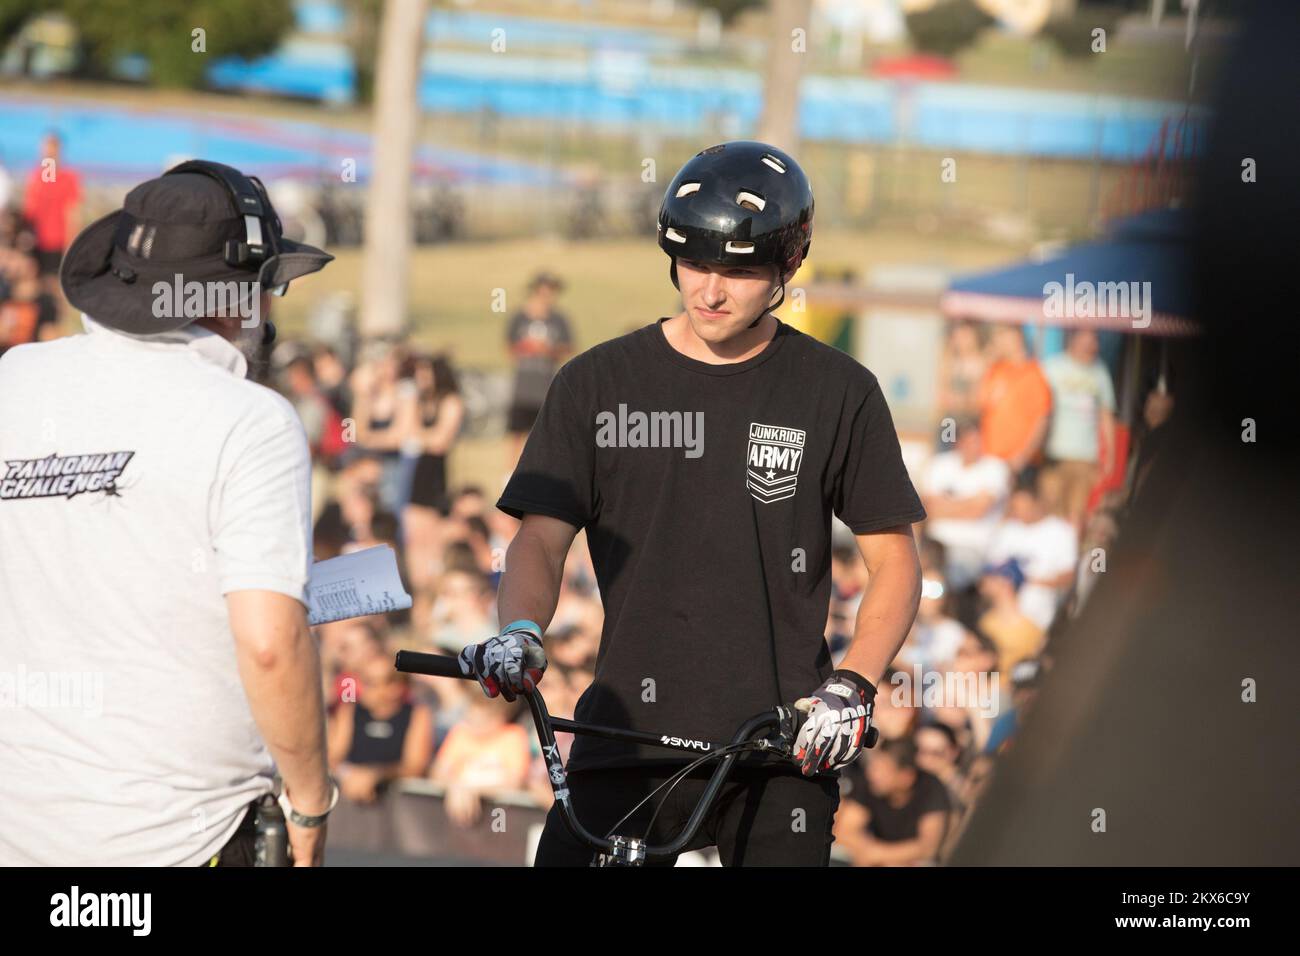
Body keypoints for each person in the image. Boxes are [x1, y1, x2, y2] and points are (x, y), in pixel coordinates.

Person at [460, 141, 926, 866]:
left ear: (785, 269)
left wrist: (853, 685)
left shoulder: (840, 391)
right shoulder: (594, 382)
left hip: (781, 745)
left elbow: (895, 562)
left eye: (738, 271)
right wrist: (520, 628)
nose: (710, 290)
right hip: (625, 736)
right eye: (695, 263)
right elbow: (541, 539)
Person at [0, 159, 337, 865]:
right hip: (184, 838)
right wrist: (310, 806)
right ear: (235, 296)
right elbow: (270, 643)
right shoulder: (252, 421)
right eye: (270, 286)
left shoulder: (14, 381)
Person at [328, 654, 434, 804]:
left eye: (371, 683)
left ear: (395, 688)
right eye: (363, 680)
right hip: (349, 805)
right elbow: (332, 757)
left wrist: (377, 775)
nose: (362, 688)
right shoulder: (349, 711)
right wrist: (349, 775)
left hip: (398, 809)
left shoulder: (417, 715)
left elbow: (416, 766)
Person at [919, 416, 1011, 590]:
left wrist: (947, 504)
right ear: (958, 442)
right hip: (934, 544)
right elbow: (927, 508)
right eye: (969, 441)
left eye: (977, 441)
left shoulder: (995, 467)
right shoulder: (940, 464)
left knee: (950, 578)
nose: (974, 446)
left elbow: (978, 511)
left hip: (971, 547)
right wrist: (969, 502)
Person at [1039, 329, 1117, 529]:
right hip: (1053, 454)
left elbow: (1106, 415)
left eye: (1095, 342)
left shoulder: (1100, 371)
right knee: (1051, 509)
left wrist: (1110, 456)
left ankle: (1070, 557)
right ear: (1073, 341)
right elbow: (1037, 409)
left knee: (1077, 512)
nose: (1093, 347)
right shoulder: (1052, 367)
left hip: (1085, 456)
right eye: (1087, 341)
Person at [833, 737, 951, 866]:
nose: (872, 774)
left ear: (906, 777)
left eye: (882, 770)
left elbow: (928, 847)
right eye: (874, 766)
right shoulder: (869, 783)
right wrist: (869, 852)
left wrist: (879, 855)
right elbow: (845, 831)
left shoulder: (931, 787)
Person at [986, 475, 1078, 630]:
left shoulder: (1062, 530)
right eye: (1016, 507)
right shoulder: (1007, 529)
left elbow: (1068, 576)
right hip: (1004, 595)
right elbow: (991, 569)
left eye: (1024, 507)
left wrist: (1031, 581)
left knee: (1033, 599)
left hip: (1041, 595)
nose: (1020, 512)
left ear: (1038, 504)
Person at [505, 271, 572, 465]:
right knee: (516, 434)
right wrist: (526, 347)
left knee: (544, 436)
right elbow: (509, 347)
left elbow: (568, 347)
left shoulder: (560, 319)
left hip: (545, 387)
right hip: (523, 388)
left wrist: (549, 349)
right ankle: (510, 476)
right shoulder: (519, 316)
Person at [978, 324, 1051, 474]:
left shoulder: (1033, 374)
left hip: (1019, 462)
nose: (998, 342)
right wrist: (986, 360)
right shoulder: (995, 370)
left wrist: (1023, 456)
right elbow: (978, 403)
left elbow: (1042, 420)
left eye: (1002, 336)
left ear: (1017, 338)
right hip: (991, 459)